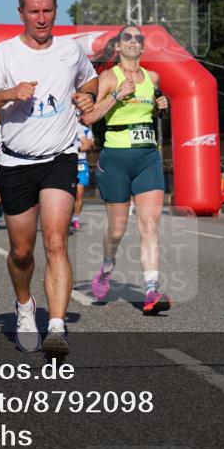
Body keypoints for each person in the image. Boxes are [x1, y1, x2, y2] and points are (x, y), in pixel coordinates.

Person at [0, 0, 98, 357]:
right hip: (15, 162)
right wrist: (9, 94)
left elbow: (90, 79)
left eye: (47, 11)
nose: (41, 19)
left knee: (56, 242)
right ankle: (25, 307)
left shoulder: (70, 51)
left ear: (55, 11)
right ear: (21, 13)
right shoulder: (4, 54)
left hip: (59, 158)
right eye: (34, 11)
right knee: (22, 252)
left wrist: (87, 96)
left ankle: (56, 326)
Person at [80, 25, 171, 314]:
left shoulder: (153, 78)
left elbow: (153, 110)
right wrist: (117, 96)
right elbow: (88, 117)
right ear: (118, 46)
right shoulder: (109, 77)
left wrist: (161, 107)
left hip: (147, 157)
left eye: (138, 38)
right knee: (117, 229)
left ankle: (152, 291)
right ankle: (106, 269)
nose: (133, 41)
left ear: (143, 48)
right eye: (127, 37)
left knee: (149, 225)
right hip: (116, 158)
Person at [71, 124, 94, 231]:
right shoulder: (63, 125)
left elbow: (89, 145)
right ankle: (67, 217)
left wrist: (77, 149)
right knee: (69, 194)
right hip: (68, 164)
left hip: (81, 164)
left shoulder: (84, 130)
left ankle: (75, 219)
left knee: (79, 194)